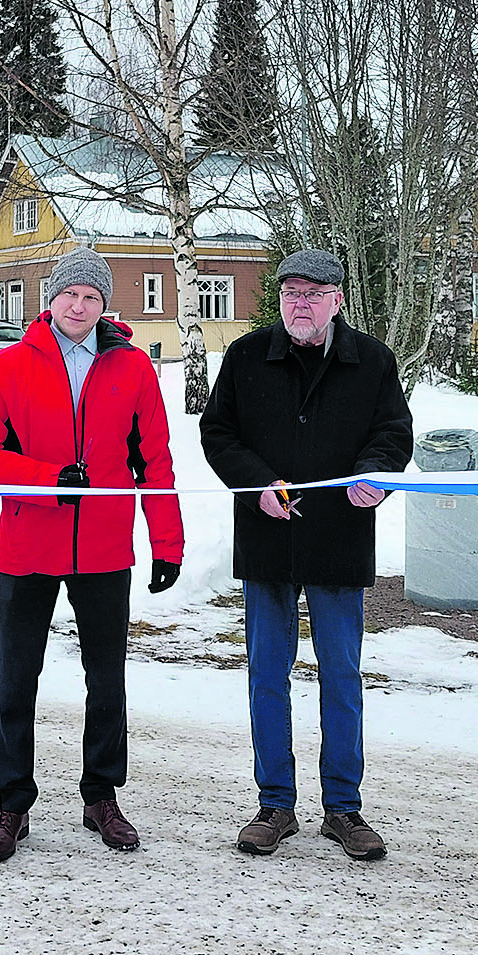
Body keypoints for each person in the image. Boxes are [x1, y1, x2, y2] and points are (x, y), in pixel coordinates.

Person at [0, 247, 184, 862]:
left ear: (105, 305)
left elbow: (155, 461)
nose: (80, 306)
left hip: (105, 549)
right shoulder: (9, 366)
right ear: (49, 300)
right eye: (70, 295)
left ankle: (101, 796)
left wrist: (167, 541)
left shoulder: (133, 367)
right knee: (16, 679)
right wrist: (47, 477)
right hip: (29, 544)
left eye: (92, 297)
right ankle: (12, 804)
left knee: (107, 679)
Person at [200, 248, 413, 861]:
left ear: (337, 300)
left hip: (339, 539)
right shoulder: (246, 357)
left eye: (314, 294)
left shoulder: (371, 360)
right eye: (292, 293)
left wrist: (377, 474)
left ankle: (344, 807)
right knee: (268, 673)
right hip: (268, 541)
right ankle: (275, 804)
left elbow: (393, 432)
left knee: (342, 676)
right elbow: (219, 433)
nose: (301, 304)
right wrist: (256, 483)